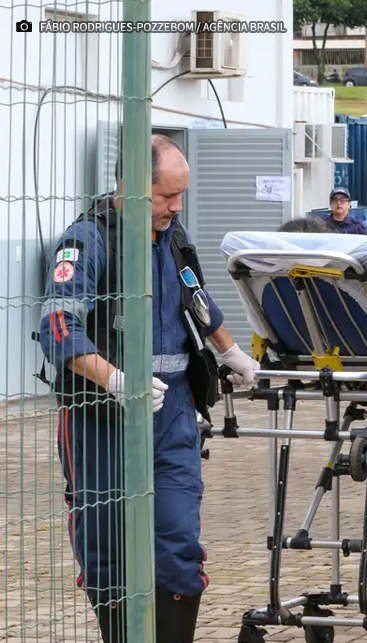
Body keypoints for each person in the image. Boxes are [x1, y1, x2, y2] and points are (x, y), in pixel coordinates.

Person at [39, 134, 260, 643]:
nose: (176, 207)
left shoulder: (174, 235)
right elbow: (57, 327)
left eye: (180, 196)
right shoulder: (87, 242)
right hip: (98, 415)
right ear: (134, 187)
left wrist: (229, 351)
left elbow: (196, 296)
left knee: (178, 541)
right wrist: (115, 380)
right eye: (166, 196)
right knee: (105, 550)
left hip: (172, 414)